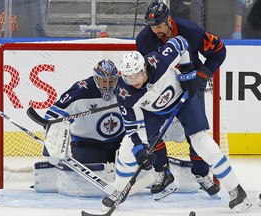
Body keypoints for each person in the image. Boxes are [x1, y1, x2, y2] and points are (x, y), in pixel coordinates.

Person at [103, 36, 252, 212]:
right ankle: (120, 191)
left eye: (136, 75)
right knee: (128, 146)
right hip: (153, 112)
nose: (134, 81)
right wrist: (139, 150)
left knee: (201, 141)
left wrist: (188, 73)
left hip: (183, 99)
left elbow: (181, 42)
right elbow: (131, 127)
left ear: (144, 67)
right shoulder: (124, 93)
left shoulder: (157, 61)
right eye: (129, 77)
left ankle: (236, 190)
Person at [135, 0, 225, 197]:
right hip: (162, 88)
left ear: (168, 20)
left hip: (190, 83)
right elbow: (147, 72)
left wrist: (203, 74)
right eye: (151, 26)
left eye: (158, 26)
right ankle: (162, 172)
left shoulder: (190, 30)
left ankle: (201, 174)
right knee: (153, 132)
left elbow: (219, 51)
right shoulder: (144, 40)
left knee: (196, 132)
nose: (155, 30)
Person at [33, 59, 125, 196]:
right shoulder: (81, 90)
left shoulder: (126, 86)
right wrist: (54, 139)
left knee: (138, 170)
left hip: (120, 142)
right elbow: (53, 114)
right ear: (95, 78)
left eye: (111, 81)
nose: (107, 85)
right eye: (102, 81)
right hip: (87, 144)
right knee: (87, 185)